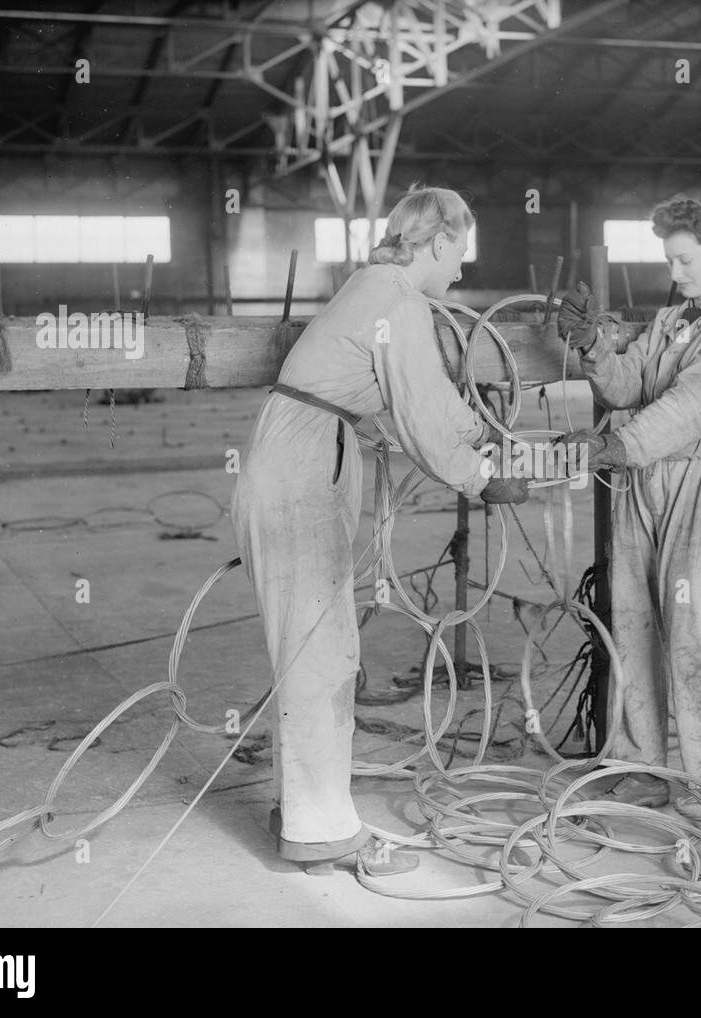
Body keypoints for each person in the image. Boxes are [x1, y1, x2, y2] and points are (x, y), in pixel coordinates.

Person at [230, 185, 528, 875]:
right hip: (302, 465)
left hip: (297, 452)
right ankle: (319, 829)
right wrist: (483, 475)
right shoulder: (398, 300)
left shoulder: (372, 288)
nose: (461, 269)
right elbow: (421, 408)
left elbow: (412, 395)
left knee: (312, 646)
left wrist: (471, 430)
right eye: (459, 251)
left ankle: (303, 808)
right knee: (321, 652)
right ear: (434, 241)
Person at [558, 195, 701, 822]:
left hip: (695, 470)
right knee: (630, 620)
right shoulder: (673, 318)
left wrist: (616, 444)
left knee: (696, 625)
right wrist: (593, 347)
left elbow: (691, 406)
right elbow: (630, 385)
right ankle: (640, 767)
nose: (674, 272)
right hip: (640, 473)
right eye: (669, 261)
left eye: (683, 260)